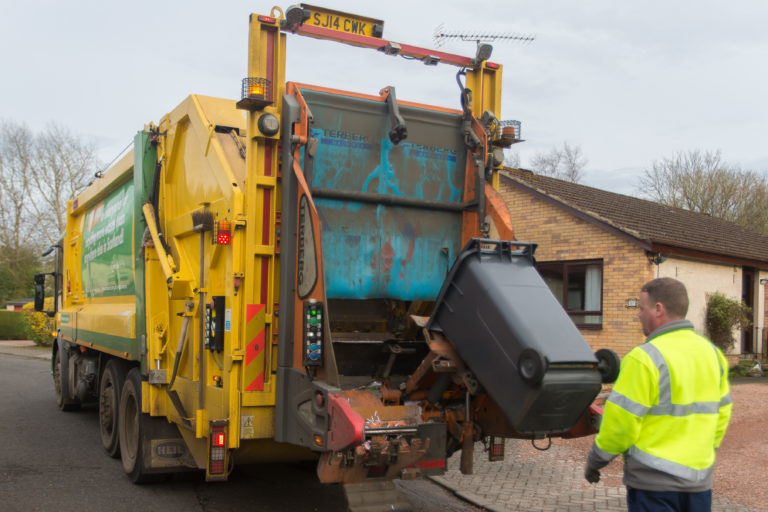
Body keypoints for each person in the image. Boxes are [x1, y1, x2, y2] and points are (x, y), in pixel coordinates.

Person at [584, 277, 732, 512]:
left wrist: (596, 460)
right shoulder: (713, 354)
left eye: (641, 308)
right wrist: (703, 454)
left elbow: (621, 424)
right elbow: (722, 414)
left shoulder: (644, 358)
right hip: (699, 483)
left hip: (654, 486)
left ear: (658, 309)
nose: (639, 314)